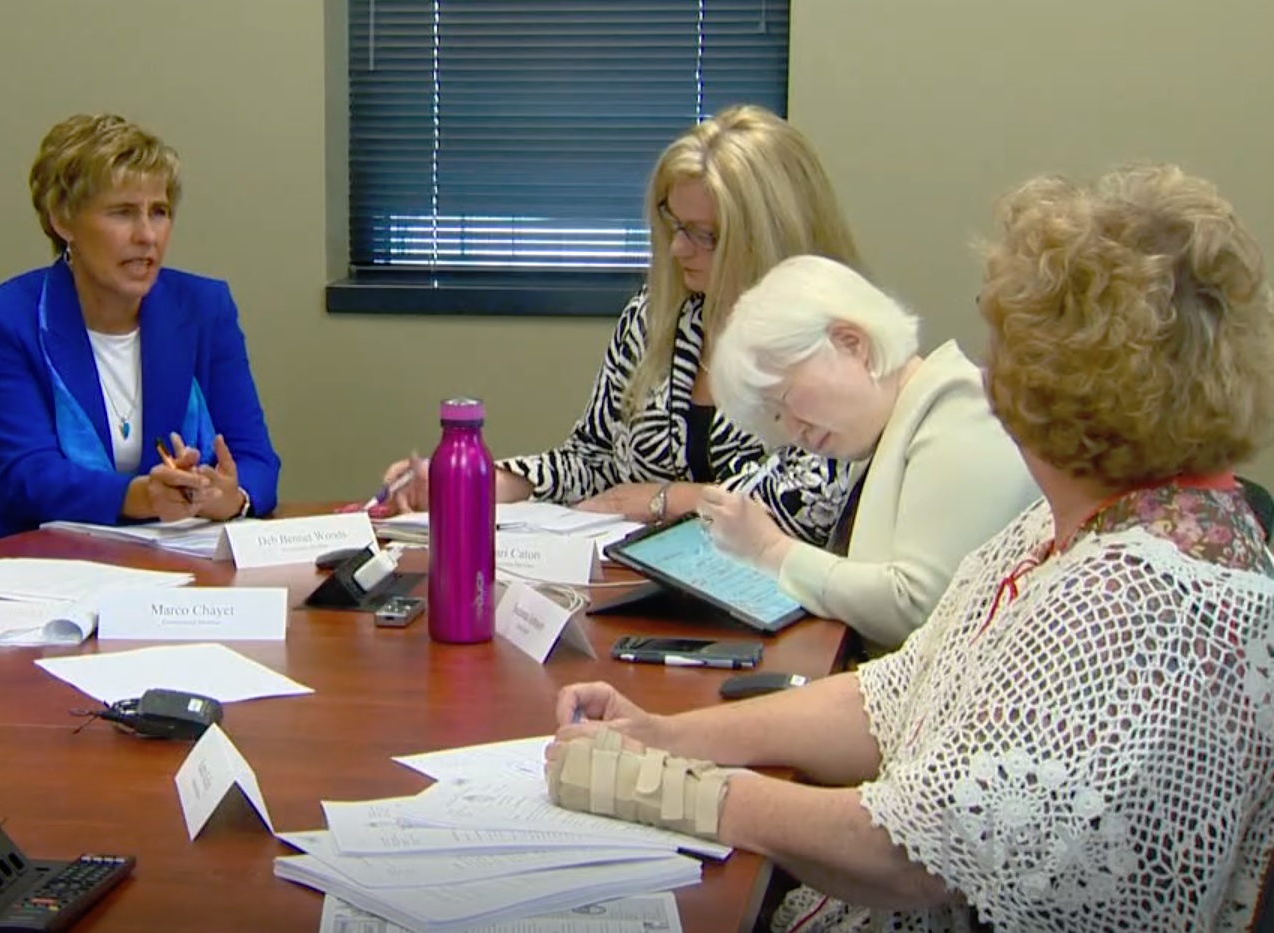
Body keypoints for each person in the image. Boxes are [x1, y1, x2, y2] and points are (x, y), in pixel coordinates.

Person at [544, 165, 1274, 931]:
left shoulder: (1132, 601)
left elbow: (907, 853)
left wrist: (671, 791)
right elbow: (894, 697)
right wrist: (666, 737)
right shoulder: (1072, 528)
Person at [373, 105, 858, 541]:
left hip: (772, 595)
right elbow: (594, 459)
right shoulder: (655, 319)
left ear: (768, 235)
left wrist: (667, 499)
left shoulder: (834, 339)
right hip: (640, 584)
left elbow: (812, 501)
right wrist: (477, 482)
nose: (677, 248)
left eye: (704, 235)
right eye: (674, 225)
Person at [0, 114, 279, 547]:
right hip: (37, 561)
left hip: (177, 561)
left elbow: (256, 459)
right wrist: (140, 497)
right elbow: (28, 475)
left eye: (159, 212)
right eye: (123, 213)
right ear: (63, 220)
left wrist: (232, 497)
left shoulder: (205, 308)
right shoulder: (4, 319)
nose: (147, 235)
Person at [693, 255, 1038, 648]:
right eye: (776, 415)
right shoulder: (893, 428)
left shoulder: (959, 410)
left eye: (787, 398)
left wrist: (769, 549)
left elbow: (921, 611)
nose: (793, 430)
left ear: (852, 344)